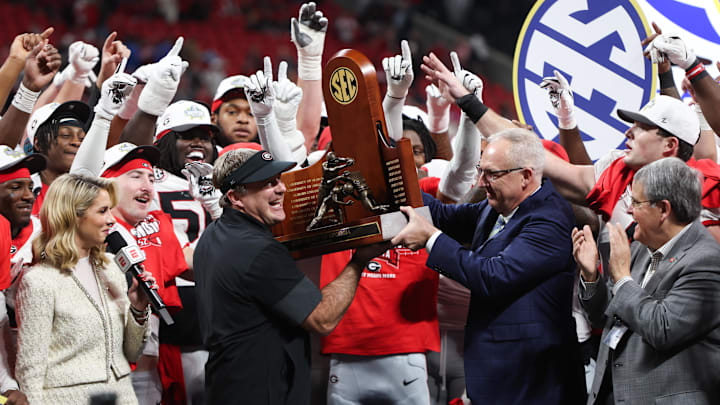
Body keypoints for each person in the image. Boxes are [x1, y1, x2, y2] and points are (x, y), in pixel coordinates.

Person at [391, 128, 585, 404]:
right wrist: (398, 181)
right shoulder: (499, 205)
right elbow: (446, 216)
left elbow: (493, 277)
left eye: (491, 174)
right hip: (498, 373)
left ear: (526, 176)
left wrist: (431, 239)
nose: (481, 182)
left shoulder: (549, 219)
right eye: (481, 170)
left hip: (533, 380)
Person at [194, 148, 389, 404]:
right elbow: (322, 318)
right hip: (261, 391)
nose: (281, 189)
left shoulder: (212, 235)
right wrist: (360, 260)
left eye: (277, 179)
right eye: (266, 184)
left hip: (227, 383)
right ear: (235, 197)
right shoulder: (258, 249)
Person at [574, 157, 720, 404]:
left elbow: (663, 329)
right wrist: (591, 276)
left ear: (663, 209)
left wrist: (621, 277)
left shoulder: (706, 260)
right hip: (613, 392)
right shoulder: (643, 246)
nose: (629, 210)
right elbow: (606, 314)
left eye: (636, 202)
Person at [14, 173, 155, 404]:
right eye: (102, 211)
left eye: (110, 210)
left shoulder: (111, 270)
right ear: (72, 217)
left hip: (122, 396)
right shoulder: (39, 281)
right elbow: (30, 368)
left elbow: (131, 353)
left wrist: (139, 309)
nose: (112, 220)